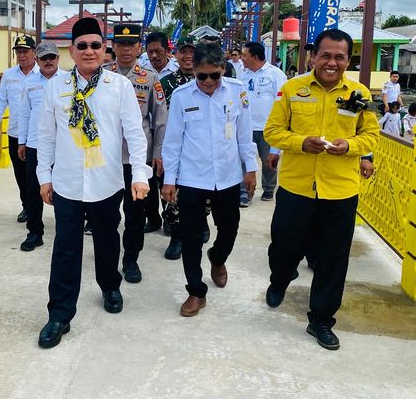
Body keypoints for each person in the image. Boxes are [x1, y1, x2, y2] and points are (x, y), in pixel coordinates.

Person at [36, 17, 151, 349]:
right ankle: (59, 314)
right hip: (68, 183)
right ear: (71, 51)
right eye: (82, 45)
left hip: (107, 181)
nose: (89, 51)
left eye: (95, 45)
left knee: (106, 239)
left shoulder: (120, 86)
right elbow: (45, 137)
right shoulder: (55, 87)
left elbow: (135, 134)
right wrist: (45, 176)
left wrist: (140, 175)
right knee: (65, 249)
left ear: (105, 50)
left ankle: (110, 285)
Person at [263, 28, 379, 351]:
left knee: (333, 258)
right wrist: (301, 143)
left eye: (339, 57)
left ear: (348, 60)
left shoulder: (360, 96)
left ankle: (321, 320)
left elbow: (370, 136)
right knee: (284, 246)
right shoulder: (292, 90)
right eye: (325, 55)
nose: (331, 62)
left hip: (340, 192)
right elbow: (273, 131)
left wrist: (350, 145)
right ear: (313, 56)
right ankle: (280, 279)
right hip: (296, 187)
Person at [161, 42, 258, 317]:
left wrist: (250, 169)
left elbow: (244, 134)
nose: (207, 81)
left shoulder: (237, 92)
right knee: (190, 236)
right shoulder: (182, 96)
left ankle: (218, 258)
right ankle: (195, 291)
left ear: (223, 69)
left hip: (227, 177)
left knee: (229, 229)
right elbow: (173, 140)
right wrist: (170, 180)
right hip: (192, 177)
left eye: (214, 75)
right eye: (201, 76)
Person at [106, 23, 167, 284]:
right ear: (114, 47)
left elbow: (161, 118)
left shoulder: (150, 79)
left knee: (134, 214)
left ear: (138, 47)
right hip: (106, 158)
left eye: (131, 44)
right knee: (107, 213)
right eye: (121, 44)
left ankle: (130, 259)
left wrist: (158, 152)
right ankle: (107, 258)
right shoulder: (101, 75)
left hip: (136, 159)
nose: (126, 49)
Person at [159, 35, 211, 260]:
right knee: (173, 195)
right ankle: (176, 235)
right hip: (176, 148)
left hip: (205, 150)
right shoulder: (166, 82)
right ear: (176, 55)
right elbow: (159, 117)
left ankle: (202, 223)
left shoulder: (213, 80)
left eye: (193, 51)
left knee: (206, 194)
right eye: (184, 51)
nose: (188, 56)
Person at [17, 41, 62, 252]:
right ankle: (35, 233)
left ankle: (65, 231)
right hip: (36, 145)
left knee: (64, 191)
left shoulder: (68, 81)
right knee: (33, 191)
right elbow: (24, 113)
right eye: (44, 58)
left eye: (52, 57)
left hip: (63, 146)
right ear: (37, 60)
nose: (48, 61)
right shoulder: (30, 83)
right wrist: (22, 142)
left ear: (58, 59)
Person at [0, 36, 38, 224]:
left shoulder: (42, 74)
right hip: (15, 134)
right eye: (18, 52)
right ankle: (27, 207)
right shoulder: (9, 75)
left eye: (26, 51)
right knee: (20, 174)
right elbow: (1, 100)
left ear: (34, 52)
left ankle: (40, 207)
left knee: (37, 174)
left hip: (37, 136)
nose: (22, 55)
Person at [238, 41, 287, 206]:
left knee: (268, 160)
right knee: (244, 159)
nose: (242, 58)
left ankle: (268, 188)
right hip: (246, 126)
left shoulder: (276, 74)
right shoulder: (242, 74)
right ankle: (244, 192)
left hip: (267, 127)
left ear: (255, 56)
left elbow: (281, 102)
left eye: (244, 55)